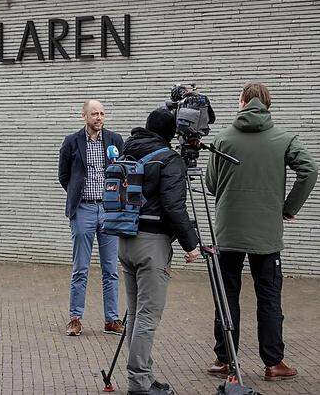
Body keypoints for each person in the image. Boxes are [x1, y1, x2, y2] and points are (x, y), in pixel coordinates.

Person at [205, 83, 318, 381]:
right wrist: (289, 207)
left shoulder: (223, 138)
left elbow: (211, 185)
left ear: (242, 102)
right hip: (267, 235)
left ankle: (225, 360)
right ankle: (273, 363)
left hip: (228, 232)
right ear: (268, 104)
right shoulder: (284, 139)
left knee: (227, 295)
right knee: (268, 297)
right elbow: (310, 169)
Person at [118, 108, 200, 395]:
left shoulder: (128, 151)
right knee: (148, 316)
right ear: (172, 134)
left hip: (125, 240)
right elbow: (174, 207)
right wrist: (192, 245)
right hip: (152, 245)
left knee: (135, 314)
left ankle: (144, 376)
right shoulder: (169, 159)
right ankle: (138, 383)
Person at [58, 99, 125, 337]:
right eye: (94, 114)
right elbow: (64, 176)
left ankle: (112, 320)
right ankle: (75, 318)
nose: (99, 118)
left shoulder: (115, 140)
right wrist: (79, 196)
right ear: (84, 116)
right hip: (83, 210)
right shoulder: (71, 142)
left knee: (111, 269)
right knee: (80, 268)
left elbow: (124, 171)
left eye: (102, 114)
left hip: (108, 211)